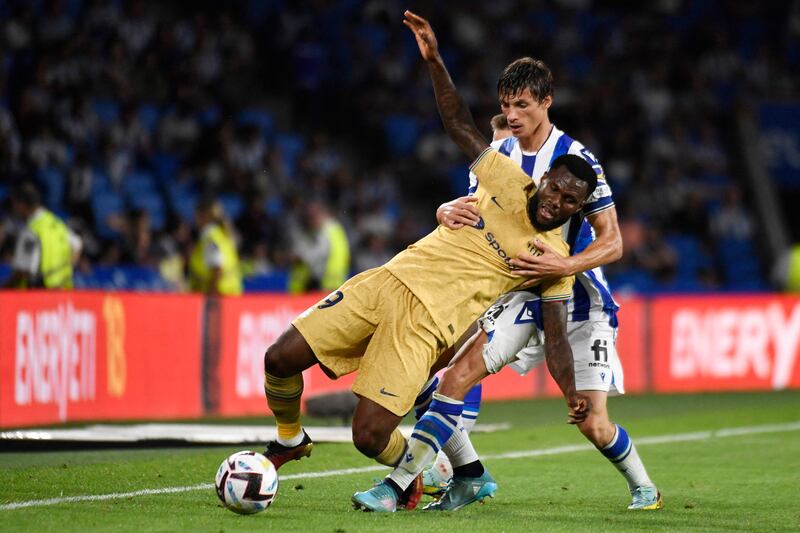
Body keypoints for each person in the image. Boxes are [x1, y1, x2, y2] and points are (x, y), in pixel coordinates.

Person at [261, 22, 599, 511]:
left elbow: (556, 333)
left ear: (579, 207)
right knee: (279, 357)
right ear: (543, 179)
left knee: (369, 434)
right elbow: (459, 123)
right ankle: (291, 439)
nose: (557, 202)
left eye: (571, 201)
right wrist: (435, 61)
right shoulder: (506, 181)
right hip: (388, 279)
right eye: (555, 189)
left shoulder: (554, 260)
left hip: (428, 323)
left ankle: (419, 470)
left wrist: (572, 392)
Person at [374, 11, 661, 512]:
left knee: (592, 421)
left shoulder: (576, 158)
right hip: (510, 292)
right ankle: (448, 476)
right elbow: (477, 214)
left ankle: (644, 487)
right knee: (440, 371)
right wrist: (445, 210)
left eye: (523, 105)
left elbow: (612, 242)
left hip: (573, 297)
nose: (512, 114)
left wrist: (563, 265)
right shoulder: (497, 152)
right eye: (506, 104)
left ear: (546, 102)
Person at [4, 181, 81, 289]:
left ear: (21, 205)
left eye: (14, 204)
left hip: (39, 294)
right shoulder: (56, 223)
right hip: (63, 292)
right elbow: (77, 244)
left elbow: (23, 271)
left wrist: (5, 287)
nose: (14, 208)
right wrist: (67, 267)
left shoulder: (31, 231)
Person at [287, 199, 350, 294]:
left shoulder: (326, 231)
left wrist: (301, 258)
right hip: (337, 280)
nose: (310, 221)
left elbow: (319, 253)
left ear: (320, 214)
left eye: (312, 217)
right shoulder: (336, 229)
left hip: (328, 282)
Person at [188, 197, 243, 296]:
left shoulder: (211, 238)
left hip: (219, 297)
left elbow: (217, 268)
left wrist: (211, 296)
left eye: (195, 215)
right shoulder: (222, 234)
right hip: (231, 295)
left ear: (204, 216)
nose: (194, 219)